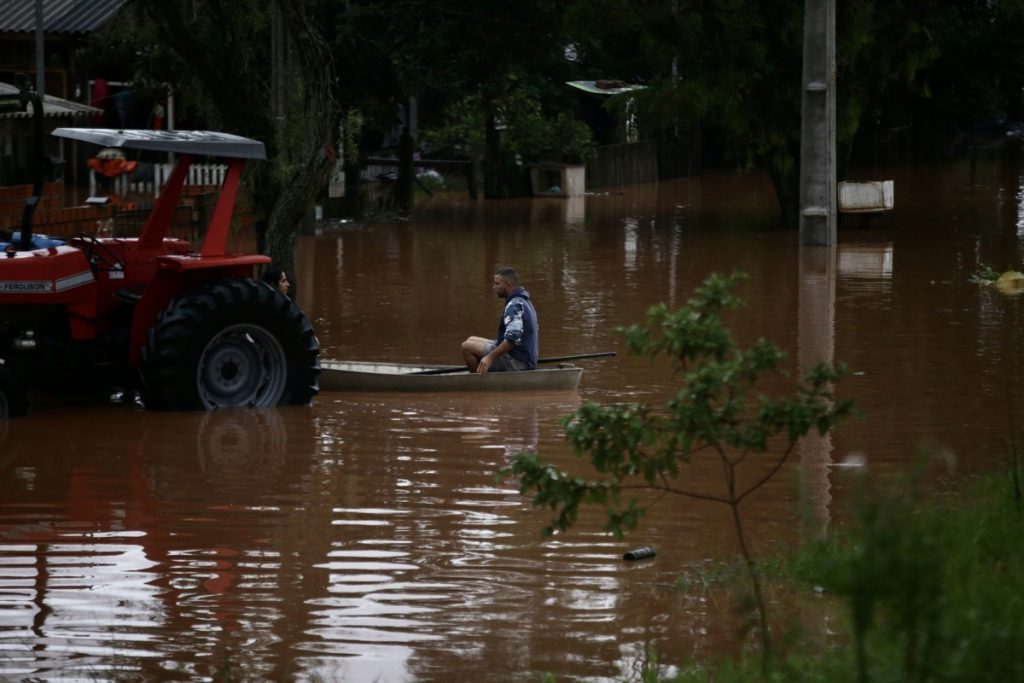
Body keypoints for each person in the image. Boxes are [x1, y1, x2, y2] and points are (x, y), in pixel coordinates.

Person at [461, 267, 538, 374]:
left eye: (497, 284)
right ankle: (483, 369)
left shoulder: (514, 305)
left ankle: (478, 381)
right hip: (523, 356)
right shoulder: (523, 300)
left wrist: (490, 357)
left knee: (466, 347)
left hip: (518, 362)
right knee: (471, 339)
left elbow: (513, 339)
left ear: (507, 285)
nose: (494, 287)